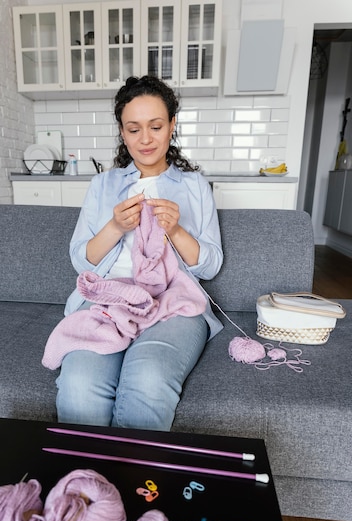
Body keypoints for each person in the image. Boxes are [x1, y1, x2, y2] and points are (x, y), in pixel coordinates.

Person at [54, 75, 223, 431]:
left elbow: (210, 266)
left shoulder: (195, 187)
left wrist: (176, 230)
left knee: (147, 378)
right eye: (133, 129)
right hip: (109, 298)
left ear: (172, 125)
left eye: (156, 126)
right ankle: (84, 484)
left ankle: (134, 485)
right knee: (79, 384)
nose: (145, 139)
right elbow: (80, 260)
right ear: (122, 131)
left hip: (174, 303)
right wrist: (115, 227)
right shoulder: (102, 185)